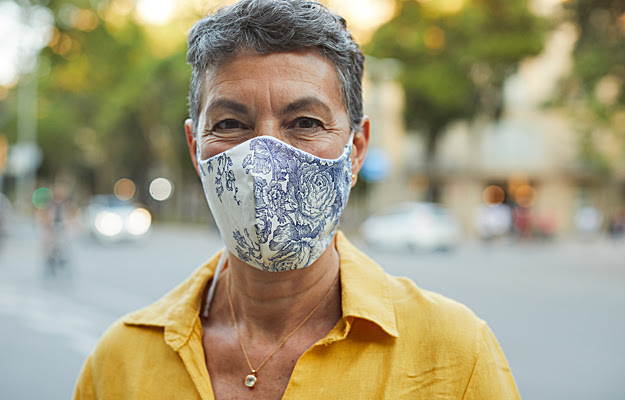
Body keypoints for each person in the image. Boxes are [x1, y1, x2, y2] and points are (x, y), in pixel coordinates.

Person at [73, 1, 519, 398]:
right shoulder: (119, 363)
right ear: (195, 149)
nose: (264, 157)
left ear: (356, 148)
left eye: (304, 122)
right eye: (230, 124)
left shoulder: (457, 357)